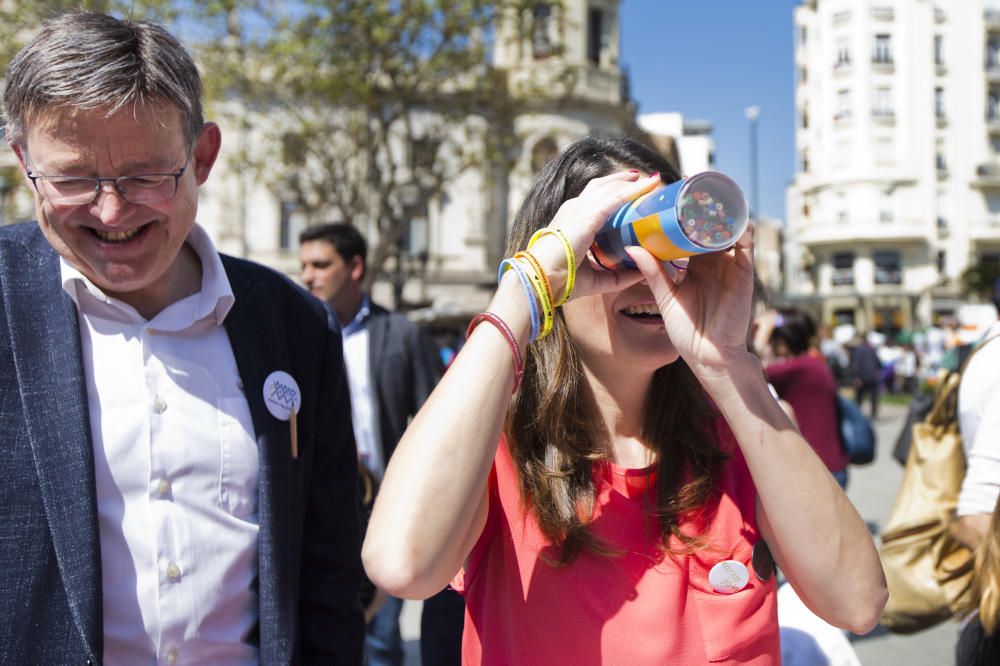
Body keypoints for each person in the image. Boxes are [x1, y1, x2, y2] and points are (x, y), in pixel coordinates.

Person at [362, 136, 887, 663]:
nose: (644, 273)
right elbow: (401, 564)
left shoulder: (746, 427)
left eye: (666, 244)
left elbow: (858, 603)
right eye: (613, 244)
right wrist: (526, 287)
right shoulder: (494, 443)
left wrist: (729, 363)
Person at [0, 12, 363, 664]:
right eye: (74, 179)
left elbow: (327, 578)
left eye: (144, 176)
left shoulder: (296, 328)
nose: (111, 211)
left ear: (202, 157)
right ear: (24, 160)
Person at [299, 223, 455, 665]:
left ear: (355, 268)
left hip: (385, 508)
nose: (308, 275)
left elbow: (436, 424)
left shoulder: (402, 335)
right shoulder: (300, 335)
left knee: (383, 641)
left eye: (320, 264)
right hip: (320, 509)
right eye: (303, 266)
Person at [762, 308, 850, 488]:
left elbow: (747, 373)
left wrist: (763, 332)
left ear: (784, 341)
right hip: (832, 464)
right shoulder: (813, 365)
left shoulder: (796, 369)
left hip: (819, 467)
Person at [849, 334, 883, 419]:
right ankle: (874, 414)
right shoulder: (872, 349)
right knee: (873, 397)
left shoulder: (858, 350)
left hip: (862, 377)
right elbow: (879, 363)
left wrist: (856, 377)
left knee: (859, 398)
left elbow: (856, 364)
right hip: (872, 376)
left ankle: (856, 414)